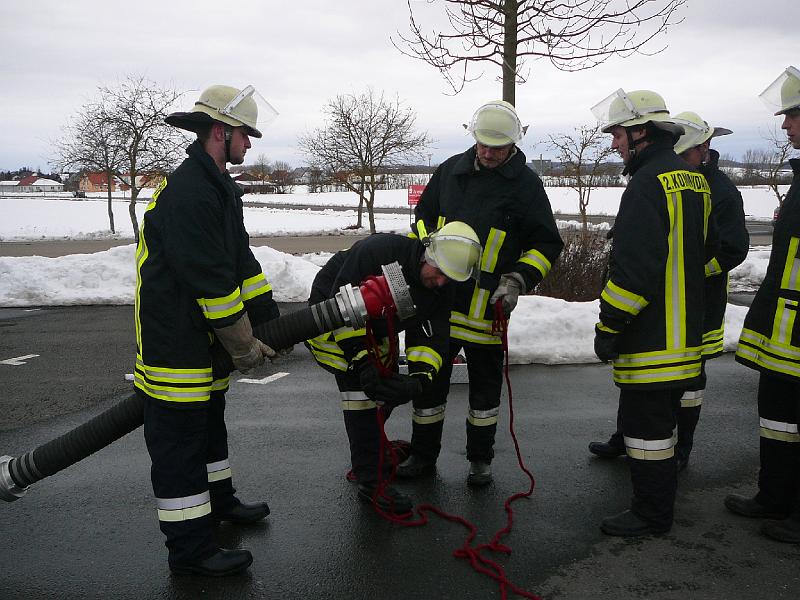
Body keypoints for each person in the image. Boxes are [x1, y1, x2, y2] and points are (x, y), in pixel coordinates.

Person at [135, 85, 282, 576]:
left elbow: (239, 260)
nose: (250, 143)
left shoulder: (217, 186)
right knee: (179, 444)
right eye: (245, 134)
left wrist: (269, 317)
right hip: (175, 340)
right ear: (220, 131)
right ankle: (190, 550)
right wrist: (243, 346)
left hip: (202, 337)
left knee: (209, 424)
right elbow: (212, 282)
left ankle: (220, 504)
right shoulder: (191, 193)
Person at [398, 100, 563, 486]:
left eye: (496, 147)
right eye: (482, 144)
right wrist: (426, 256)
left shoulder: (527, 186)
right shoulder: (450, 172)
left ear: (513, 144)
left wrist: (518, 279)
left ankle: (480, 460)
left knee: (485, 392)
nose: (487, 153)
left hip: (487, 309)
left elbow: (546, 244)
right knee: (428, 383)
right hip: (439, 303)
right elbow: (422, 221)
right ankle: (422, 455)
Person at [588, 110, 749, 471]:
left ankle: (680, 447)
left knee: (688, 383)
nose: (682, 158)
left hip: (698, 306)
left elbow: (731, 249)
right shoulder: (669, 179)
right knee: (644, 379)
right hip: (664, 306)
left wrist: (687, 271)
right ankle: (627, 437)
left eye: (687, 152)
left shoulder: (719, 190)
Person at [589, 89, 714, 536]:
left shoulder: (646, 184)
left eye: (618, 134)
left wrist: (609, 324)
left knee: (648, 434)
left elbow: (634, 272)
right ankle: (655, 507)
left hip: (652, 336)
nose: (614, 144)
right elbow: (702, 253)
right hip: (686, 334)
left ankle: (651, 514)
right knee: (662, 426)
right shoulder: (693, 180)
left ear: (641, 132)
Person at [305, 223, 482, 511]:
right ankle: (371, 482)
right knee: (362, 396)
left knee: (386, 390)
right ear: (427, 255)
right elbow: (342, 306)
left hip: (375, 327)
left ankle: (372, 451)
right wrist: (362, 361)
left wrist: (419, 379)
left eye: (448, 278)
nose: (441, 282)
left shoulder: (441, 287)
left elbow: (432, 335)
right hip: (332, 321)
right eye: (438, 273)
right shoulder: (380, 252)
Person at [725, 65, 800, 544]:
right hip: (786, 328)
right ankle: (775, 496)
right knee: (778, 417)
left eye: (792, 115)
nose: (785, 125)